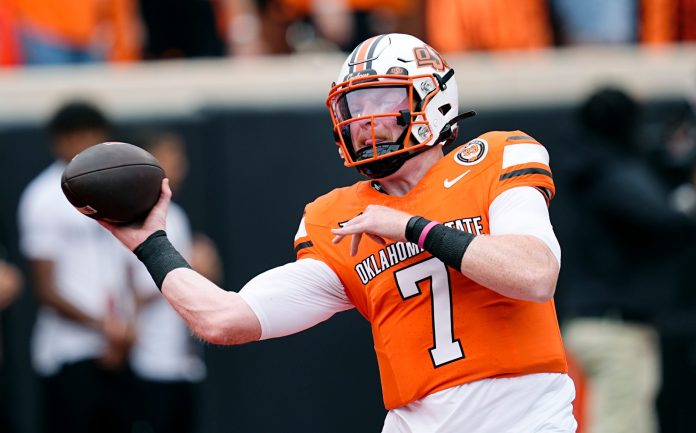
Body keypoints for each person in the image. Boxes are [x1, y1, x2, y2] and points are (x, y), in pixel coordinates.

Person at [102, 33, 576, 432]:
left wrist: (411, 227)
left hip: (525, 419)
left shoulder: (495, 158)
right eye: (355, 105)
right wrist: (151, 245)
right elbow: (225, 319)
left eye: (383, 102)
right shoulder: (337, 217)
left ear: (433, 99)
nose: (365, 122)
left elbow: (534, 274)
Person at [560, 87, 696, 433]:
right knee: (618, 425)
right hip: (613, 328)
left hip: (604, 325)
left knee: (635, 422)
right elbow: (665, 220)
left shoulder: (593, 168)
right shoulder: (609, 172)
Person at [17, 101, 136, 433]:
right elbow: (45, 288)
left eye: (96, 134)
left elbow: (126, 267)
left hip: (120, 348)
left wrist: (125, 326)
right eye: (80, 135)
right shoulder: (43, 197)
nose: (89, 143)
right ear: (61, 141)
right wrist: (103, 327)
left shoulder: (118, 188)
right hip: (69, 352)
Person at [128, 131, 217, 433]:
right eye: (170, 157)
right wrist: (191, 269)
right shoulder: (132, 218)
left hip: (183, 361)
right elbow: (140, 287)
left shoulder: (175, 215)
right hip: (147, 362)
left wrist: (199, 273)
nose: (180, 165)